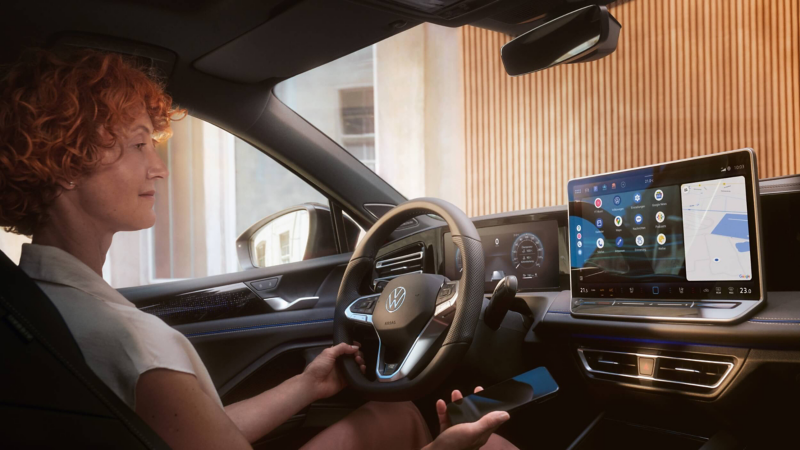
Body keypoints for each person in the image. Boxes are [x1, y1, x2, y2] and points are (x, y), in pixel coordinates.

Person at [0, 49, 516, 450]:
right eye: (138, 145)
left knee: (396, 415)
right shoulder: (129, 340)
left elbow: (199, 431)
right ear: (66, 159)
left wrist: (307, 385)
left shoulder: (43, 305)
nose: (158, 168)